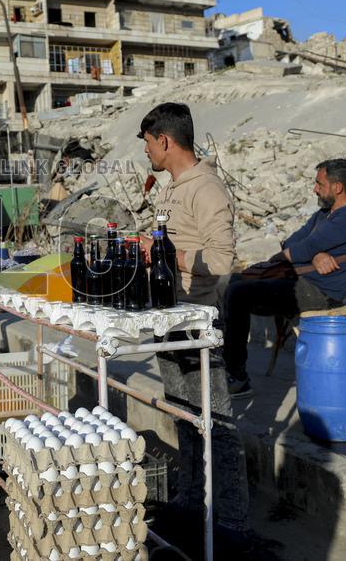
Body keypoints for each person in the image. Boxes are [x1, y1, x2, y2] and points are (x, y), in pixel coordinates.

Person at [137, 102, 253, 551]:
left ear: (164, 141)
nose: (147, 150)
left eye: (148, 142)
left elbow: (222, 261)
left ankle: (236, 524)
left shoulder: (207, 189)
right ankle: (191, 502)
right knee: (183, 416)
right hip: (170, 315)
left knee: (218, 424)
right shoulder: (172, 188)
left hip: (198, 321)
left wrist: (170, 256)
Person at [222, 158, 346, 397]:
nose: (315, 189)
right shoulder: (324, 215)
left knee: (237, 293)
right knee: (233, 283)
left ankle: (237, 377)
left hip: (321, 294)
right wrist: (314, 256)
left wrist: (308, 252)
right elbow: (292, 242)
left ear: (337, 187)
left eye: (319, 184)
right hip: (302, 282)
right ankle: (226, 365)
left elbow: (301, 249)